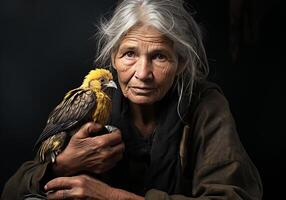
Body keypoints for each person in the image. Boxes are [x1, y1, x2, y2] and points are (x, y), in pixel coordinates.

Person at [1, 0, 263, 199]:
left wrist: (111, 196)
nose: (142, 74)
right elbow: (11, 191)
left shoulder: (206, 106)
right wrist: (62, 166)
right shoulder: (91, 103)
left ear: (181, 63)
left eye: (159, 56)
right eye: (129, 54)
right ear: (113, 57)